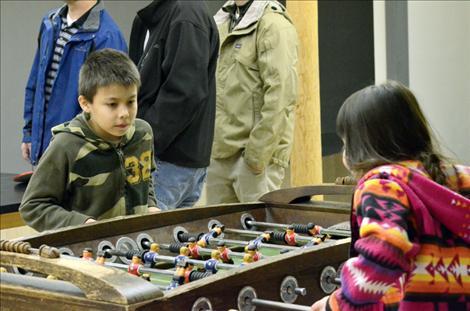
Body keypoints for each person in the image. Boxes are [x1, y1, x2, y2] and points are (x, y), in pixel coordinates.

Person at [311, 81, 470, 311]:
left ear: (362, 146)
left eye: (346, 142)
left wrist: (336, 304)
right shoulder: (458, 176)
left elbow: (384, 253)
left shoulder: (381, 184)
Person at [20, 49, 159, 232]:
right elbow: (33, 206)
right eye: (112, 104)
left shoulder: (143, 134)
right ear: (85, 104)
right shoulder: (66, 145)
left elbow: (144, 179)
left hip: (134, 249)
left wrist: (150, 205)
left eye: (131, 102)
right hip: (84, 254)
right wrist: (82, 225)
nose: (124, 113)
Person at [128, 0, 219, 210]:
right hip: (169, 162)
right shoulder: (161, 14)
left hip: (167, 163)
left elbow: (185, 93)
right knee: (164, 240)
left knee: (144, 239)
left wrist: (145, 143)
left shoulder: (186, 14)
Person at [207, 0, 299, 204]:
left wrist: (256, 156)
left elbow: (281, 95)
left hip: (253, 160)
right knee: (219, 234)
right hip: (219, 155)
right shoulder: (222, 19)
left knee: (260, 233)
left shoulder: (273, 23)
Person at [22, 0, 127, 166]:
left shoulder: (107, 36)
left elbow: (109, 107)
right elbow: (36, 82)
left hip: (78, 162)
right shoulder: (50, 22)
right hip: (45, 154)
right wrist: (29, 133)